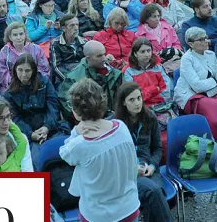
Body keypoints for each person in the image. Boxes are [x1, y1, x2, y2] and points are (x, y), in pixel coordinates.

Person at [59, 79, 139, 222]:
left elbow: (64, 153)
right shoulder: (121, 127)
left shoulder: (79, 144)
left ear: (76, 112)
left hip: (98, 216)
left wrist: (76, 132)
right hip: (130, 207)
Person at [115, 82, 173, 222]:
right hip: (127, 172)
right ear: (123, 102)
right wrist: (133, 168)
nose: (137, 103)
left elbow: (158, 148)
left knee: (156, 194)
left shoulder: (150, 118)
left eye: (139, 98)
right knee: (154, 193)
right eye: (132, 100)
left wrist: (152, 166)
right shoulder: (116, 124)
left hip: (149, 168)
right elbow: (115, 157)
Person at [4, 54, 68, 170]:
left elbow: (53, 105)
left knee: (64, 152)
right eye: (20, 70)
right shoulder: (9, 93)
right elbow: (15, 119)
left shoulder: (44, 82)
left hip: (51, 127)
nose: (24, 74)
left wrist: (47, 126)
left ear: (33, 71)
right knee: (36, 161)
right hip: (29, 133)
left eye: (28, 70)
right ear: (15, 70)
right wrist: (31, 134)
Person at [59, 41, 123, 122]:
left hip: (114, 118)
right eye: (99, 56)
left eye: (104, 54)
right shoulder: (74, 78)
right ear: (88, 58)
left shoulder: (113, 73)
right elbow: (67, 103)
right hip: (89, 121)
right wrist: (86, 118)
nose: (104, 58)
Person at [0, 22, 49, 93]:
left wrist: (33, 82)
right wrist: (15, 83)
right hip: (12, 85)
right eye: (15, 35)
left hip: (34, 84)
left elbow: (44, 69)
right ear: (10, 37)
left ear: (25, 34)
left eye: (21, 34)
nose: (19, 37)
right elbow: (2, 73)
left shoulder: (36, 49)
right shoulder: (4, 51)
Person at [123, 38, 170, 107]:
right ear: (135, 54)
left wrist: (158, 102)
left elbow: (166, 90)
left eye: (149, 51)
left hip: (160, 104)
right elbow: (133, 95)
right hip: (141, 107)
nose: (147, 54)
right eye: (142, 52)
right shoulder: (128, 71)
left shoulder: (158, 67)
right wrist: (155, 89)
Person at [50, 14, 86, 88]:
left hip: (82, 75)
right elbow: (56, 67)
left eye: (77, 25)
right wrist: (69, 80)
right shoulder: (56, 43)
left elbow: (88, 62)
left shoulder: (84, 42)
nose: (76, 28)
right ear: (63, 28)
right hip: (64, 77)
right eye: (72, 25)